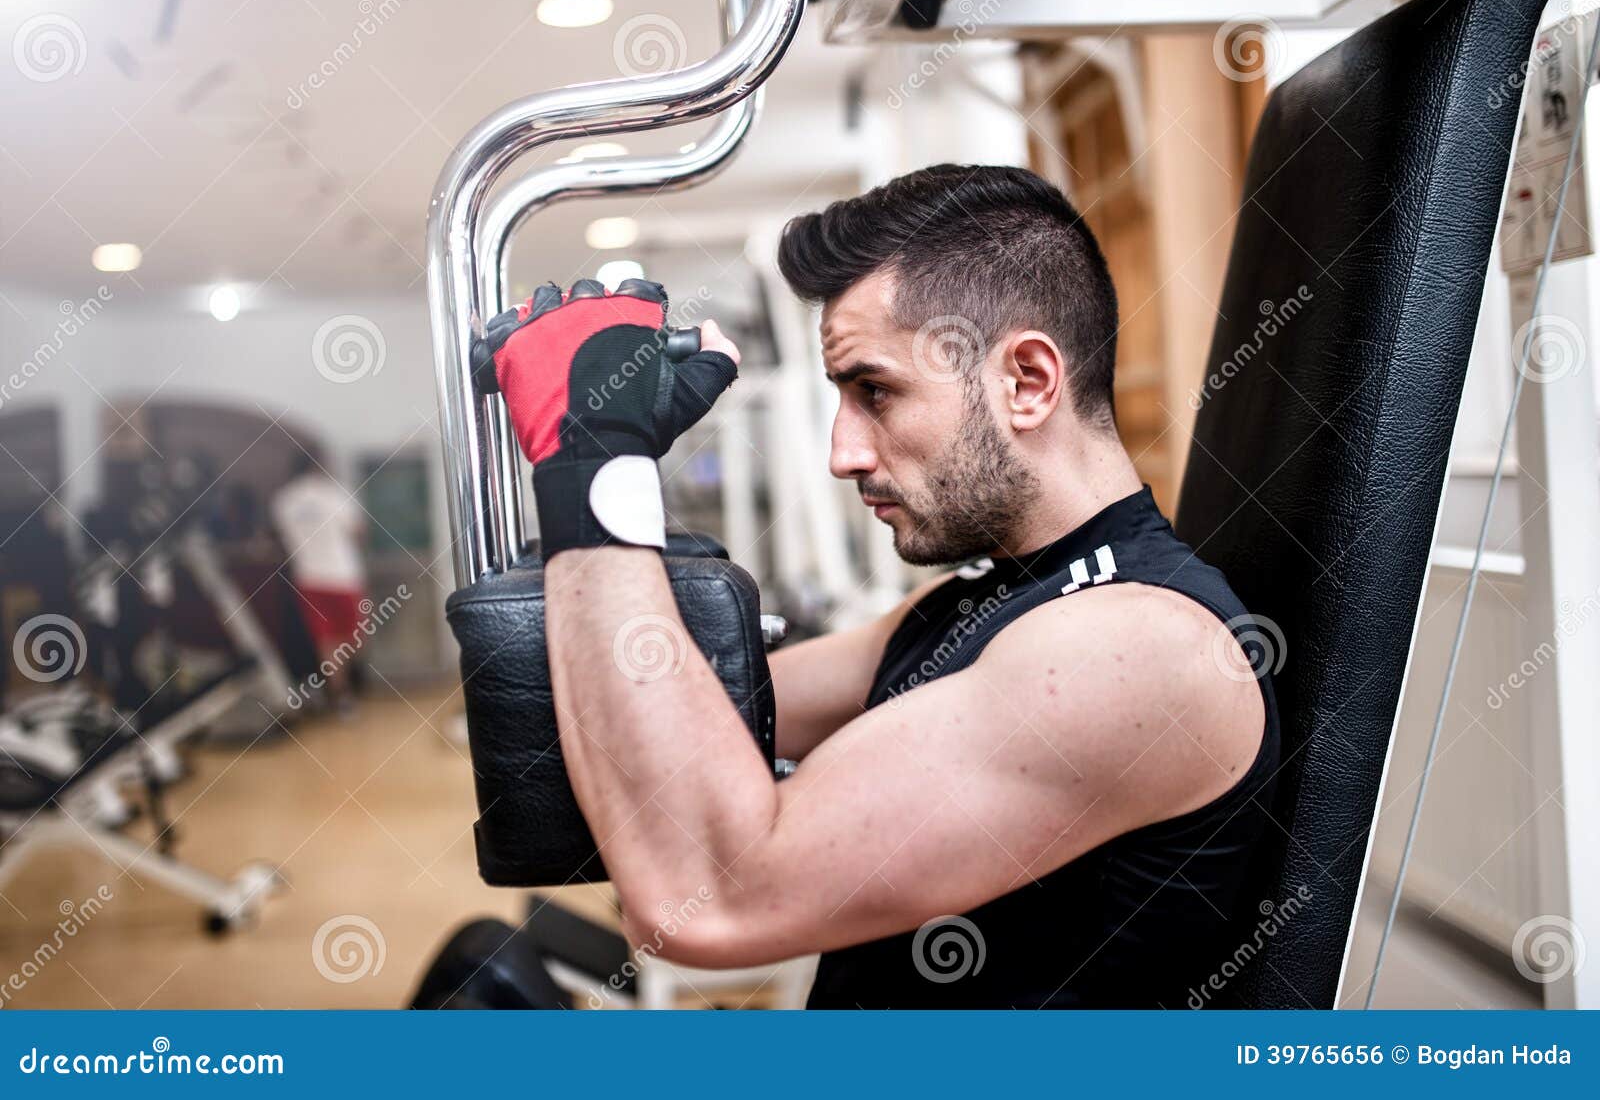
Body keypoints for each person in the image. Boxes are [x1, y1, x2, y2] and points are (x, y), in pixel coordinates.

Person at [483, 165, 1281, 1008]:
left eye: (876, 391)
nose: (844, 453)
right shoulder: (987, 598)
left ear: (1028, 382)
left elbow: (715, 894)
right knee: (480, 981)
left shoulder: (1138, 649)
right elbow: (675, 717)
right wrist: (617, 462)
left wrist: (595, 464)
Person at [270, 451, 367, 711]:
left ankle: (339, 691)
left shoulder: (284, 500)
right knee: (352, 635)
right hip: (342, 576)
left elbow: (280, 536)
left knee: (326, 641)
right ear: (318, 465)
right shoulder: (334, 494)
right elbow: (358, 532)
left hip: (309, 579)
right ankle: (342, 689)